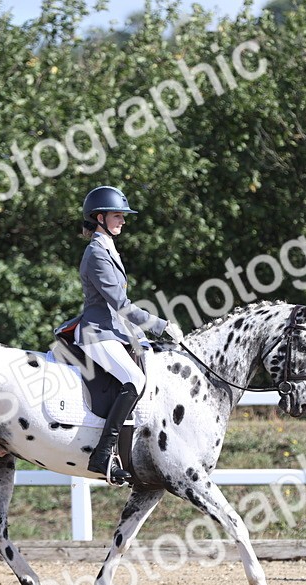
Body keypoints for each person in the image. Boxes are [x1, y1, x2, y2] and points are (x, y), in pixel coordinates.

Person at [73, 185, 182, 485]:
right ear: (99, 217)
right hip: (97, 334)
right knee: (134, 380)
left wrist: (144, 339)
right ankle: (101, 455)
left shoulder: (108, 248)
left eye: (123, 216)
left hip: (113, 332)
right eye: (118, 216)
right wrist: (161, 325)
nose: (123, 221)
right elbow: (121, 305)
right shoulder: (96, 253)